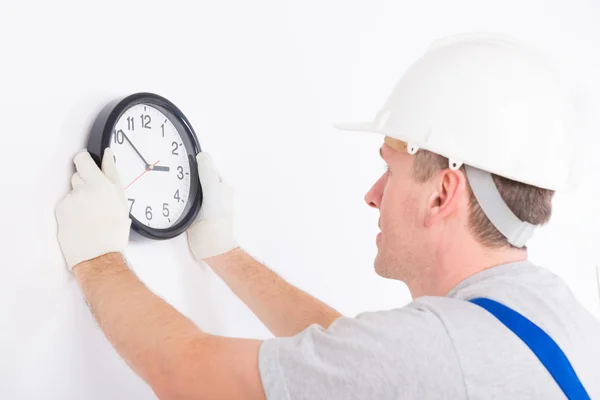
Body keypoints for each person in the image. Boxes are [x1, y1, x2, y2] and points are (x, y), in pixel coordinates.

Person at [55, 33, 600, 399]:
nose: (372, 194)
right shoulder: (552, 314)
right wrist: (226, 253)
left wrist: (97, 257)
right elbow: (355, 357)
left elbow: (189, 373)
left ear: (442, 194)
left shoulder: (437, 356)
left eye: (390, 169)